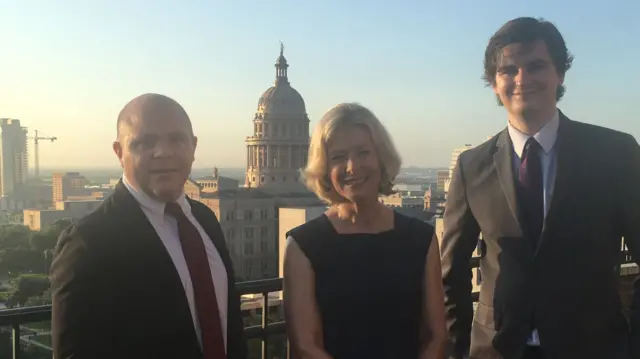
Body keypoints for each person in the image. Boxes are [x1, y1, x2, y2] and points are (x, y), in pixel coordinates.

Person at [440, 17, 640, 359]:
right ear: (494, 82)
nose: (522, 80)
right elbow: (451, 274)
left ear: (559, 74)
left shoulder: (616, 154)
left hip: (595, 348)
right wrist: (459, 350)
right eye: (509, 70)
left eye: (536, 66)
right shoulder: (471, 166)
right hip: (497, 351)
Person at [50, 93, 247, 359]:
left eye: (176, 139)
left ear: (193, 147)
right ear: (119, 152)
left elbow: (229, 324)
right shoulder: (89, 243)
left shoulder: (205, 220)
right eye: (145, 142)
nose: (163, 152)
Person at [283, 103, 446, 359]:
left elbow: (436, 335)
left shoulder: (421, 239)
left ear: (381, 158)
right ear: (324, 168)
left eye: (363, 152)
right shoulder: (302, 246)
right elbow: (305, 345)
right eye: (338, 157)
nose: (352, 166)